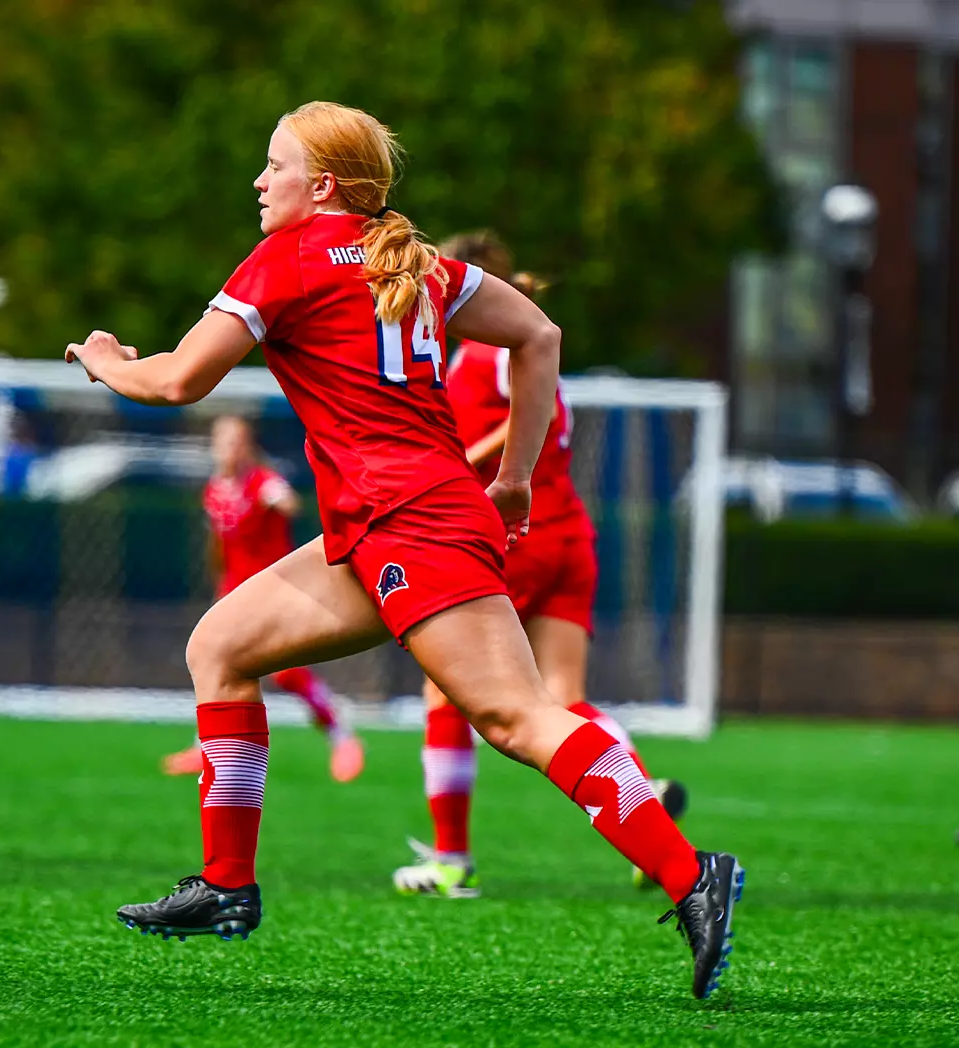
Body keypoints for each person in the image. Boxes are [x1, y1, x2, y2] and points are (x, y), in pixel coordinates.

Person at [64, 102, 743, 998]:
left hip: (411, 523)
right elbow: (542, 337)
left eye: (275, 166)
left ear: (324, 186)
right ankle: (227, 885)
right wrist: (515, 480)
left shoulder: (292, 257)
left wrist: (109, 360)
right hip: (393, 522)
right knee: (219, 648)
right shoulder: (414, 261)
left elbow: (180, 379)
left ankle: (693, 873)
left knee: (519, 720)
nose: (260, 182)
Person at [390, 232, 687, 899]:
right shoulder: (488, 350)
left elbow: (542, 404)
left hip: (518, 536)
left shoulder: (493, 351)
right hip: (568, 533)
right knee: (561, 699)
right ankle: (642, 791)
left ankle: (450, 861)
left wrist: (467, 462)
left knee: (445, 693)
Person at [161, 413, 364, 783]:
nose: (229, 450)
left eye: (236, 442)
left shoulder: (262, 481)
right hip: (235, 587)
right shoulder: (215, 489)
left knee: (285, 673)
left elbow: (288, 503)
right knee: (211, 663)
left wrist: (279, 499)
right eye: (223, 442)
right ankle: (204, 748)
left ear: (247, 446)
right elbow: (218, 544)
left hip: (275, 587)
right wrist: (220, 584)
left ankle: (340, 731)